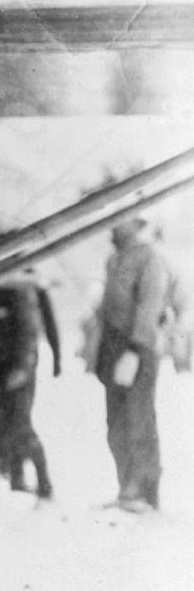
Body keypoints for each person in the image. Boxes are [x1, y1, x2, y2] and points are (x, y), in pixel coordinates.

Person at [95, 216, 169, 512]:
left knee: (139, 420)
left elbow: (150, 306)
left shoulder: (149, 258)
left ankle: (144, 492)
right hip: (113, 349)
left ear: (136, 225)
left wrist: (135, 350)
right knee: (116, 424)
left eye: (119, 223)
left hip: (137, 349)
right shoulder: (114, 260)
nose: (112, 229)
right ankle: (126, 487)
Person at [0, 274, 61, 499]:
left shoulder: (23, 286)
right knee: (6, 423)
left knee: (20, 424)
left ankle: (43, 481)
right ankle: (17, 477)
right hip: (0, 369)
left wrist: (23, 367)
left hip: (17, 370)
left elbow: (31, 329)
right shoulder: (4, 284)